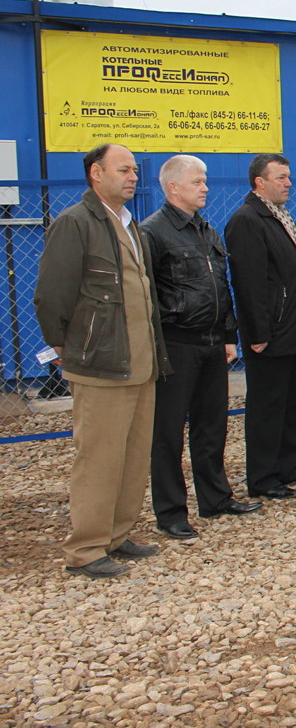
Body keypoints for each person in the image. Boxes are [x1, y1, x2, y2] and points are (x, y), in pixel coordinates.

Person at [34, 144, 172, 578]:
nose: (133, 177)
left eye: (134, 170)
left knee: (131, 456)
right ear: (96, 173)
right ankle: (86, 549)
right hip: (100, 365)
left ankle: (116, 535)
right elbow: (51, 294)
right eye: (123, 169)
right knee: (98, 459)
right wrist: (64, 346)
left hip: (140, 364)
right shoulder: (76, 223)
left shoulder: (130, 224)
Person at [140, 155, 259, 541]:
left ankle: (215, 499)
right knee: (168, 433)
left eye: (204, 181)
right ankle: (171, 512)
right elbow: (145, 294)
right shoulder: (153, 233)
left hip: (211, 344)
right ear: (173, 187)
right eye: (197, 181)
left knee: (211, 426)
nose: (205, 187)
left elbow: (221, 287)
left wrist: (228, 335)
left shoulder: (206, 230)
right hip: (176, 344)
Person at [225, 153, 296, 499]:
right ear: (260, 182)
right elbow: (248, 283)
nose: (288, 183)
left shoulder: (279, 215)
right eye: (281, 177)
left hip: (292, 328)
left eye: (288, 176)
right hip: (270, 332)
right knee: (267, 407)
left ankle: (288, 466)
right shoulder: (247, 220)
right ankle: (263, 477)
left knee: (288, 403)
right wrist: (258, 333)